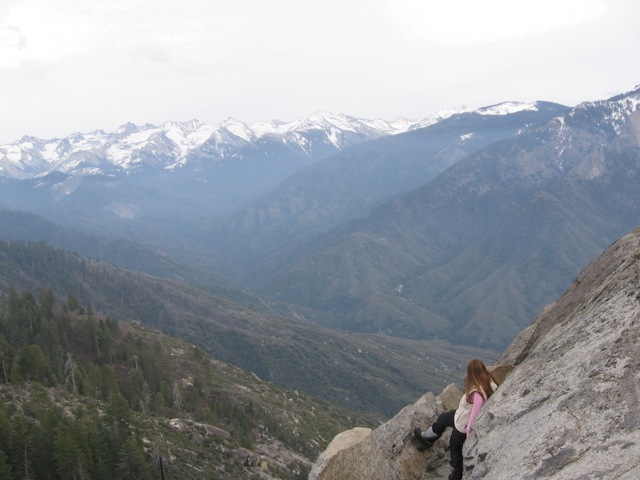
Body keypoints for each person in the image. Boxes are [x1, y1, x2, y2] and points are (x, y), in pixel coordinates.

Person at [413, 359, 499, 480]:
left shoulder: (477, 392)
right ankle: (427, 437)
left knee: (455, 447)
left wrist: (469, 432)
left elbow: (474, 414)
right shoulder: (490, 382)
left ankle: (456, 474)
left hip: (463, 424)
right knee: (443, 418)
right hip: (461, 415)